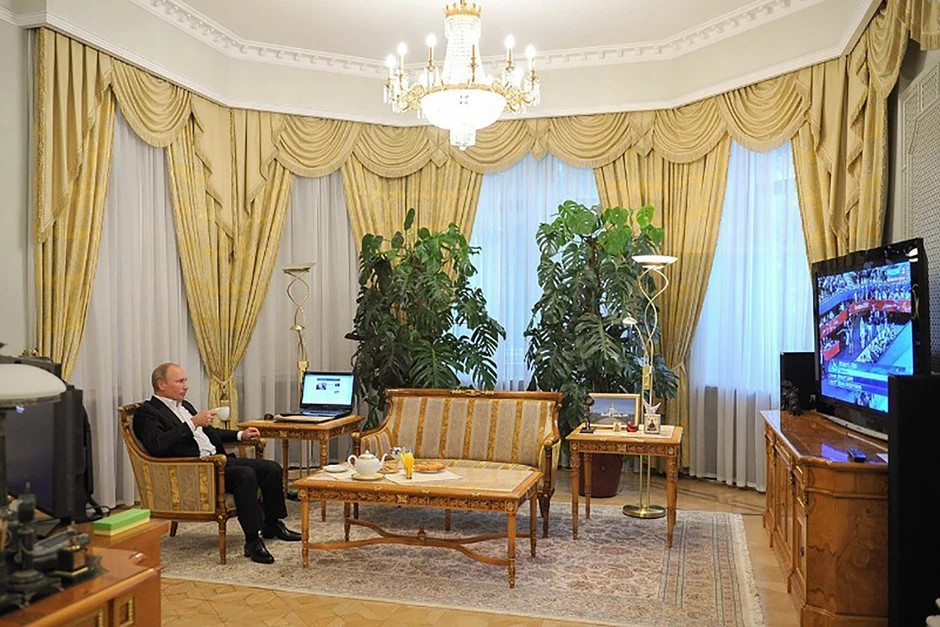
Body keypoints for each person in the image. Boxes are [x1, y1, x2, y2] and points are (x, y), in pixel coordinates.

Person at [132, 363, 301, 564]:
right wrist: (193, 423)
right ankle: (252, 541)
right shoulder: (147, 413)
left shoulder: (185, 406)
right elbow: (158, 445)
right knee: (245, 475)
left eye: (185, 381)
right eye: (180, 381)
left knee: (271, 469)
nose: (186, 386)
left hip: (217, 462)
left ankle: (272, 525)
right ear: (161, 384)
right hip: (195, 471)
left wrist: (240, 435)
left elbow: (211, 434)